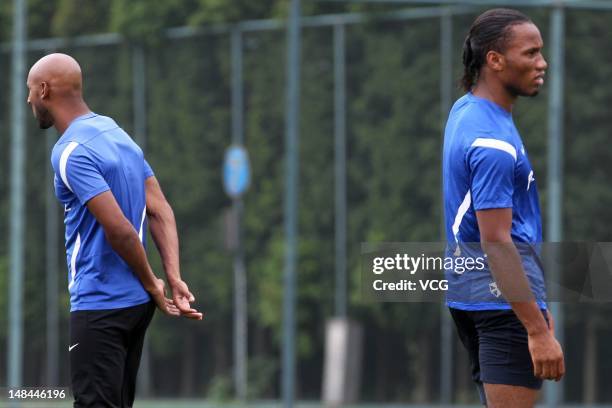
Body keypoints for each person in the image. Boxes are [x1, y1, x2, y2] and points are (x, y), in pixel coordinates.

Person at [27, 53, 203, 408]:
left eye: (30, 90)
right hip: (136, 306)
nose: (29, 99)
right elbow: (159, 207)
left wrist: (156, 284)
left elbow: (119, 230)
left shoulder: (70, 151)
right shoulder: (115, 132)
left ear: (44, 90)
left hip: (100, 306)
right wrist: (173, 276)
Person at [442, 9, 565, 407]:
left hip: (476, 293)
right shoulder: (492, 142)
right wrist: (537, 329)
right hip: (501, 301)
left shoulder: (467, 109)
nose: (542, 63)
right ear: (495, 60)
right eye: (530, 53)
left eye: (541, 52)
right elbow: (496, 242)